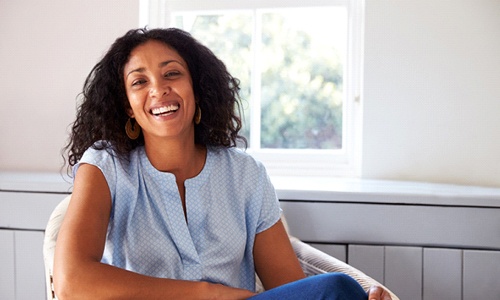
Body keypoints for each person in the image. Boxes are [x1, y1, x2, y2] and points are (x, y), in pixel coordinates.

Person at [54, 27, 392, 300]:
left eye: (172, 73)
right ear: (128, 106)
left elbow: (290, 289)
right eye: (139, 82)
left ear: (197, 90)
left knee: (337, 291)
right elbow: (71, 282)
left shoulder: (245, 175)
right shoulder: (105, 166)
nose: (158, 89)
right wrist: (206, 293)